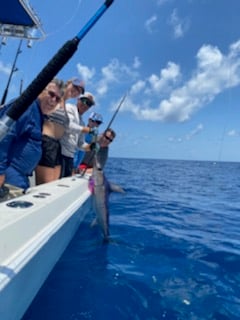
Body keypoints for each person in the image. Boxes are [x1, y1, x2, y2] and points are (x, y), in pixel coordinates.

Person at [0, 78, 65, 198]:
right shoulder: (27, 107)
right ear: (40, 90)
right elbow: (4, 138)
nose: (53, 100)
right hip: (8, 182)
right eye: (51, 94)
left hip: (20, 181)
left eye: (57, 99)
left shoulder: (39, 114)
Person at [35, 77, 85, 185]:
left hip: (57, 147)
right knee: (44, 187)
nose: (76, 91)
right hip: (47, 142)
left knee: (54, 185)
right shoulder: (54, 98)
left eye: (79, 91)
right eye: (75, 87)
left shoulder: (64, 103)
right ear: (68, 83)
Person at [60, 92, 96, 177]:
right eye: (84, 101)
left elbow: (80, 144)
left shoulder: (82, 122)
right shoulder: (69, 108)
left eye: (89, 104)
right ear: (78, 100)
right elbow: (68, 125)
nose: (85, 105)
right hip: (59, 154)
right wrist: (88, 130)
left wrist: (91, 147)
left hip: (69, 158)